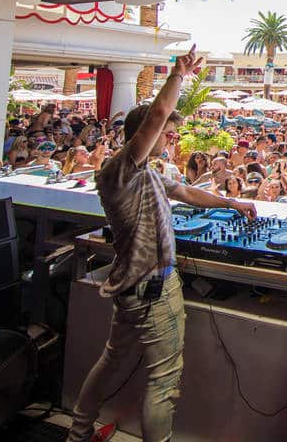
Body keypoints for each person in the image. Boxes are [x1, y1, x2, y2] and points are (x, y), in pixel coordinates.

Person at [67, 46, 257, 442]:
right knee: (164, 379)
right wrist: (178, 75)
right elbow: (155, 116)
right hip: (151, 288)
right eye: (168, 131)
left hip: (133, 285)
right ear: (144, 134)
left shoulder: (148, 174)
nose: (171, 136)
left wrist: (231, 201)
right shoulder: (120, 169)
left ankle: (79, 431)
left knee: (112, 359)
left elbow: (186, 193)